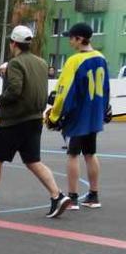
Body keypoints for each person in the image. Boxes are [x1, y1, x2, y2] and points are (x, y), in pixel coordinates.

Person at [0, 27, 70, 218]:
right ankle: (57, 195)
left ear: (13, 43)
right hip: (35, 119)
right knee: (33, 160)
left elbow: (15, 89)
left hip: (15, 120)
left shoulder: (15, 63)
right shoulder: (41, 62)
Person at [47, 22, 110, 210]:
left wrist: (55, 115)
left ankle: (73, 197)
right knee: (90, 153)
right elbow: (106, 88)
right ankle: (93, 195)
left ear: (80, 39)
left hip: (78, 113)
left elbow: (63, 91)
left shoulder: (74, 61)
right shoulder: (101, 58)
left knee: (73, 153)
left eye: (72, 38)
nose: (70, 41)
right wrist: (104, 109)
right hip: (94, 113)